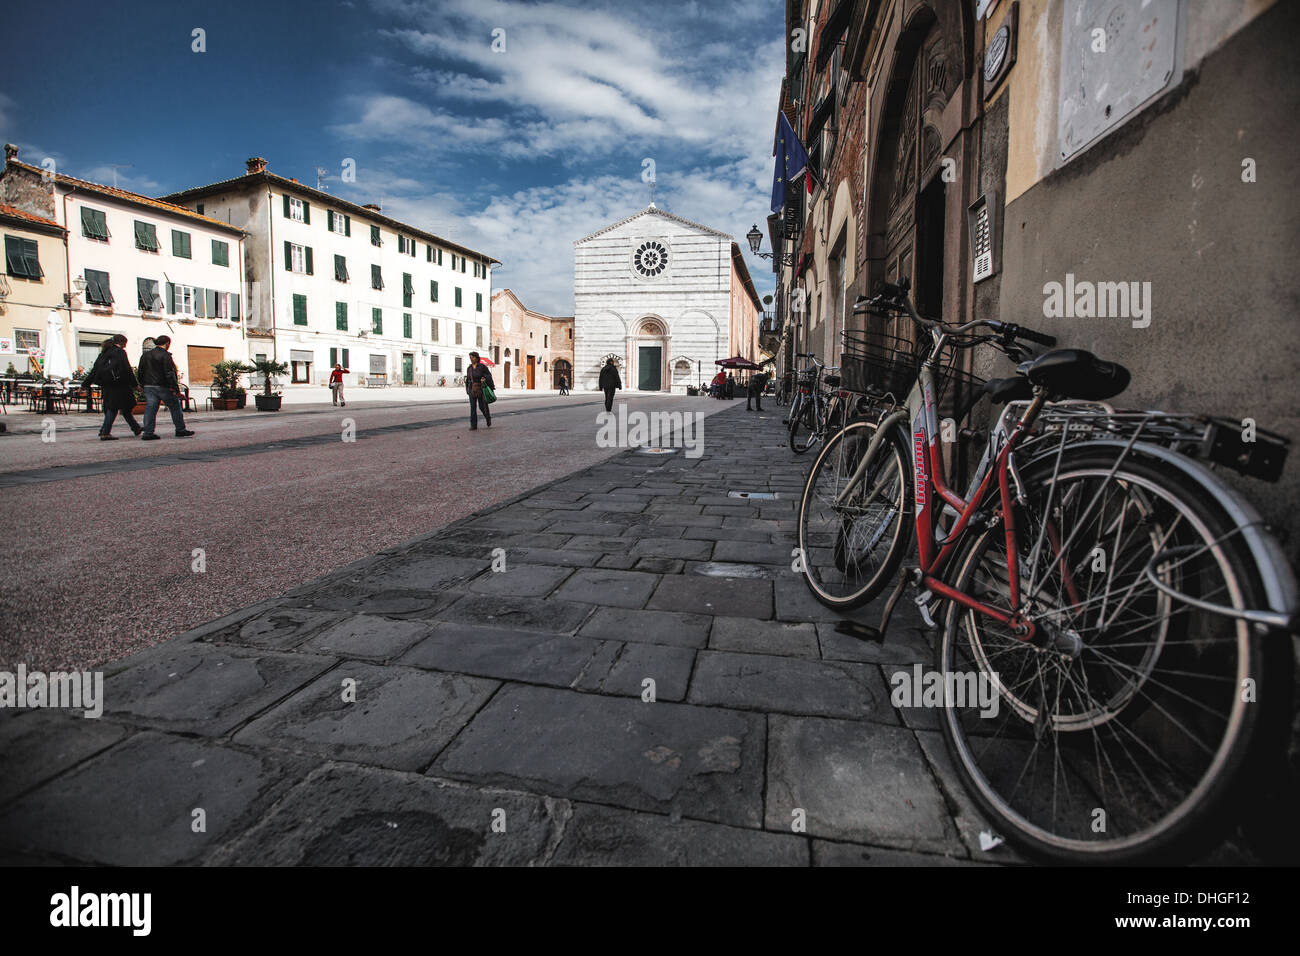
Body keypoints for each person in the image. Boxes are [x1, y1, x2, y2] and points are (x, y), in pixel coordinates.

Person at [136, 335, 194, 440]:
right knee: (175, 406)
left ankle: (148, 432)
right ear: (167, 343)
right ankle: (180, 429)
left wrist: (141, 384)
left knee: (151, 408)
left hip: (149, 385)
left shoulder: (145, 355)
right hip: (163, 386)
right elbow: (169, 373)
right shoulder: (165, 355)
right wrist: (175, 388)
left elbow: (140, 371)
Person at [85, 334, 142, 440]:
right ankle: (105, 432)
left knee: (123, 408)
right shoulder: (120, 352)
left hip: (107, 385)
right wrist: (135, 385)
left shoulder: (104, 353)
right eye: (125, 343)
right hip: (120, 385)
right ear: (122, 342)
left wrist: (85, 384)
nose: (125, 346)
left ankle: (136, 427)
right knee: (114, 408)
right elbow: (127, 369)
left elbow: (95, 370)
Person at [466, 351, 494, 429]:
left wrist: (484, 378)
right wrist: (467, 390)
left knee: (482, 406)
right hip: (472, 389)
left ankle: (488, 418)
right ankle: (473, 425)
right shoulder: (469, 368)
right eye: (470, 357)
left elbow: (488, 375)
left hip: (481, 388)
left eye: (473, 357)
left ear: (477, 358)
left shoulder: (482, 367)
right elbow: (467, 379)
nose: (471, 359)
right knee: (473, 407)